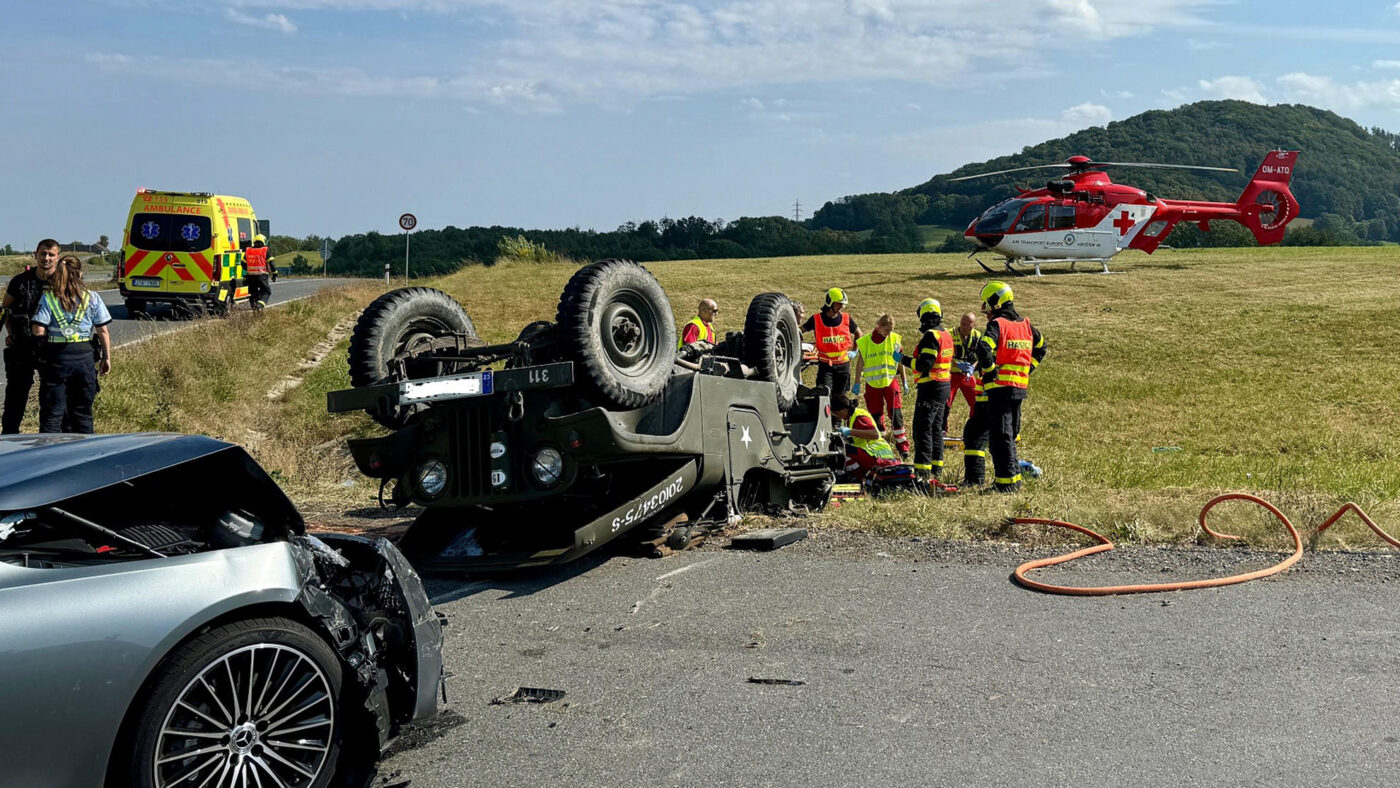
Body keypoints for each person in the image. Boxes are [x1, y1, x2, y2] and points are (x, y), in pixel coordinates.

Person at [973, 281, 1046, 493]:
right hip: (1018, 388)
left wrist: (990, 371)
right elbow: (1042, 348)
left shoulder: (998, 325)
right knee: (1010, 435)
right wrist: (1027, 370)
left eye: (987, 304)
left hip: (999, 388)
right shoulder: (1026, 325)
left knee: (1000, 437)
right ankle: (1013, 481)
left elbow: (984, 347)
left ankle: (1005, 485)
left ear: (997, 302)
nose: (985, 310)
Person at [30, 253, 112, 433]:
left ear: (58, 273)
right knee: (83, 413)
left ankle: (48, 454)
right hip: (84, 358)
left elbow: (38, 330)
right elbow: (103, 330)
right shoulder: (92, 298)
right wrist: (106, 358)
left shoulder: (49, 297)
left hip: (56, 358)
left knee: (53, 412)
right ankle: (83, 454)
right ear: (80, 274)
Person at [0, 239, 60, 433]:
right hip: (21, 347)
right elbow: (6, 308)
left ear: (57, 257)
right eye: (43, 254)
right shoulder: (20, 281)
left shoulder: (63, 282)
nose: (46, 258)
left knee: (50, 397)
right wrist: (10, 333)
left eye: (51, 254)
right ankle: (9, 438)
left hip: (51, 348)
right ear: (36, 255)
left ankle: (46, 441)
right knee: (15, 396)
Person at [902, 298, 954, 484]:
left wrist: (903, 360)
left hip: (931, 387)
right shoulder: (946, 334)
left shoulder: (931, 336)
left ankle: (922, 473)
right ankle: (936, 468)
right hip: (943, 386)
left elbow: (925, 364)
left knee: (922, 429)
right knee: (936, 429)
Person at [850, 313, 909, 458]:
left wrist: (904, 381)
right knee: (876, 417)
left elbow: (900, 362)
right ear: (879, 327)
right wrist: (857, 382)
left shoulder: (894, 339)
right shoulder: (866, 342)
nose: (889, 334)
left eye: (891, 330)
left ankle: (902, 445)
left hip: (890, 382)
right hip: (873, 384)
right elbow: (860, 364)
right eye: (887, 330)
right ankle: (881, 445)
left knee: (896, 415)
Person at [801, 287, 862, 396]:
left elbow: (859, 333)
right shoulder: (816, 319)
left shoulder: (846, 318)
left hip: (843, 365)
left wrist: (854, 351)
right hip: (825, 366)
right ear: (830, 303)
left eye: (842, 304)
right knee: (823, 395)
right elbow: (800, 330)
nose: (841, 307)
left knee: (840, 397)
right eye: (838, 304)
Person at [830, 393, 900, 481]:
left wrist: (850, 431)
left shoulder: (859, 416)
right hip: (870, 456)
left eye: (837, 413)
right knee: (844, 450)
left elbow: (875, 434)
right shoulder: (850, 418)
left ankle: (856, 479)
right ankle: (859, 477)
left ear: (845, 408)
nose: (838, 416)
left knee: (844, 450)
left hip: (878, 455)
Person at [945, 312, 982, 433]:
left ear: (974, 325)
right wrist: (956, 364)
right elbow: (943, 355)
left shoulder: (977, 336)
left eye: (968, 325)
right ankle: (942, 430)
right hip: (951, 374)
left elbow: (979, 357)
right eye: (963, 324)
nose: (964, 327)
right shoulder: (950, 334)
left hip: (967, 375)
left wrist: (972, 367)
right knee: (945, 403)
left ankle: (975, 429)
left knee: (977, 402)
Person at [244, 234, 273, 310]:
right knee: (266, 291)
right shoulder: (265, 250)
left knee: (253, 292)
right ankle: (259, 305)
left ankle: (254, 307)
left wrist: (248, 270)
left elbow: (243, 263)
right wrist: (275, 274)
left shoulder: (248, 250)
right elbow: (271, 263)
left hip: (250, 276)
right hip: (262, 276)